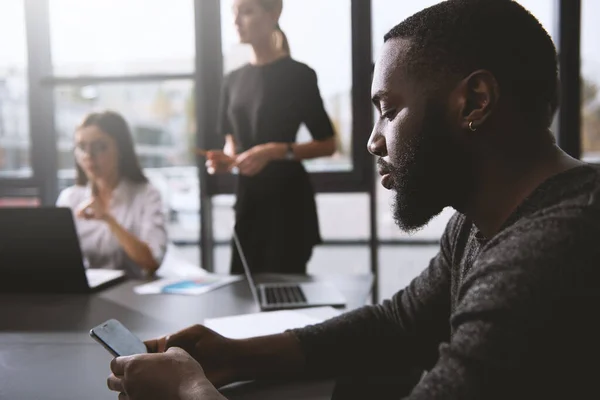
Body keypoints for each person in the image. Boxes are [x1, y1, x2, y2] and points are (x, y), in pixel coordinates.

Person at [106, 0, 600, 398]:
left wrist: (190, 391)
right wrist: (234, 354)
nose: (373, 141)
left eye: (387, 110)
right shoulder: (479, 223)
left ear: (474, 102)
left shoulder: (545, 255)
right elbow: (400, 324)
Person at [206, 0, 336, 275]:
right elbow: (231, 144)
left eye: (247, 12)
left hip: (287, 204)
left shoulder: (299, 76)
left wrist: (274, 151)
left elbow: (328, 144)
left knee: (285, 295)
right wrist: (227, 160)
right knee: (242, 291)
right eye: (234, 13)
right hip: (248, 202)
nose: (236, 21)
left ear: (274, 13)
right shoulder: (232, 80)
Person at [56, 111, 167, 278]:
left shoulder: (146, 195)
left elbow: (152, 262)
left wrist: (108, 219)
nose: (88, 156)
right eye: (82, 147)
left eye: (100, 147)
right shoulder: (70, 199)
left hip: (133, 295)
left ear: (120, 149)